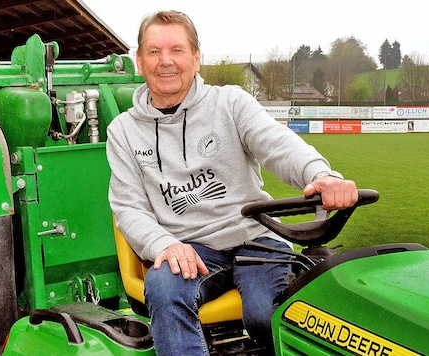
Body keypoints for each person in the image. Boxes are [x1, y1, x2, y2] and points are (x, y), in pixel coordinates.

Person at [106, 10, 358, 355]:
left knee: (265, 314)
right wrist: (164, 244)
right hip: (189, 249)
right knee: (164, 286)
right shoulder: (122, 131)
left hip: (254, 237)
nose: (166, 61)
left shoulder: (230, 103)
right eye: (154, 51)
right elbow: (128, 206)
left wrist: (321, 175)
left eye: (177, 50)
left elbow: (277, 145)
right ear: (138, 61)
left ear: (196, 58)